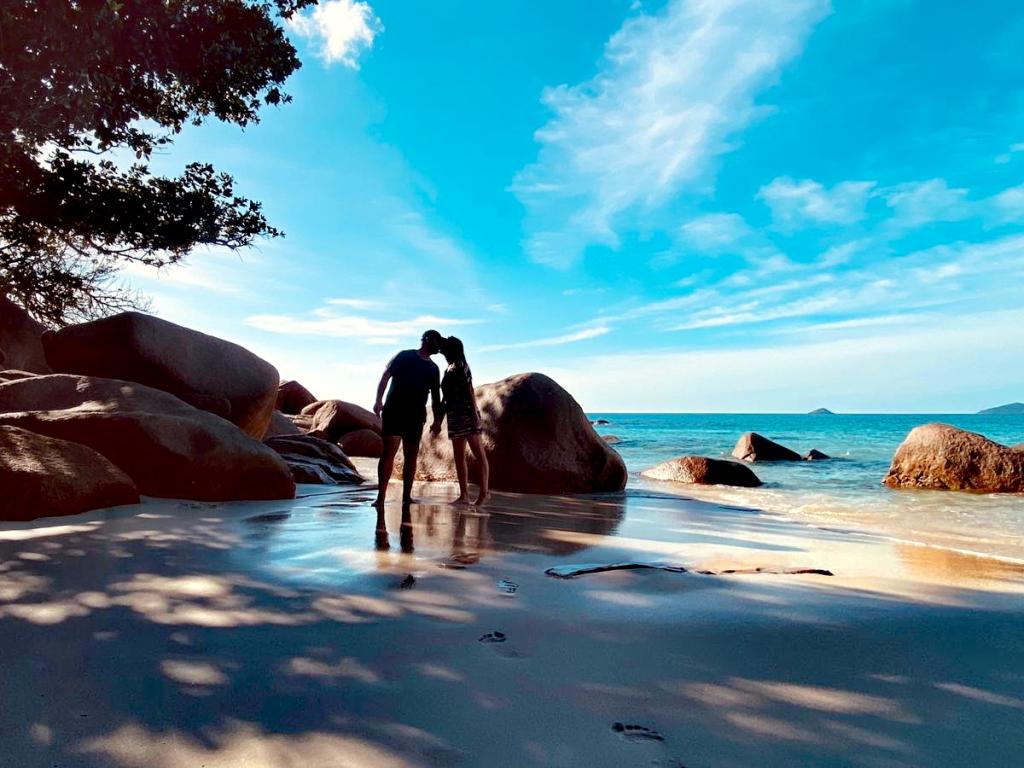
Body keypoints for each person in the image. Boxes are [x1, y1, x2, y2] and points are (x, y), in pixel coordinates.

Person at [372, 330, 443, 507]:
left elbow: (436, 397)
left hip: (416, 416)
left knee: (411, 456)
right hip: (394, 411)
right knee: (389, 452)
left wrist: (437, 421)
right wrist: (378, 400)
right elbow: (385, 376)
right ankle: (380, 497)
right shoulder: (404, 356)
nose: (439, 346)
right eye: (437, 342)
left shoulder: (434, 369)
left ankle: (406, 496)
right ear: (427, 340)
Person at [430, 336, 490, 506]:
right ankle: (463, 495)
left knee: (479, 454)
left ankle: (484, 493)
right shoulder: (448, 369)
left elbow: (470, 391)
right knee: (458, 456)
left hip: (467, 414)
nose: (442, 351)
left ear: (452, 350)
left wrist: (475, 416)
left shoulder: (462, 366)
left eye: (445, 348)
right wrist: (438, 421)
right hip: (454, 416)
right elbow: (445, 398)